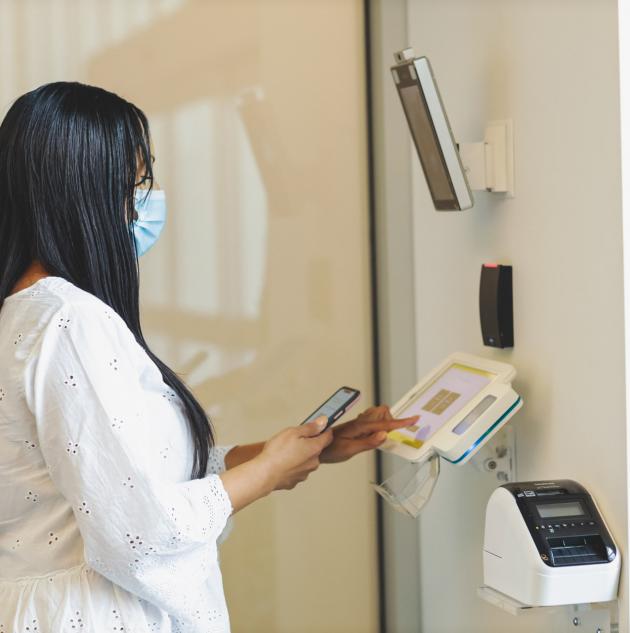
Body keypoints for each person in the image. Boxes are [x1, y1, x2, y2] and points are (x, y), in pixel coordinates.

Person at [0, 82, 417, 633]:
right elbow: (138, 531)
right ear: (85, 194)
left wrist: (277, 455)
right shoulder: (69, 320)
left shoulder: (27, 314)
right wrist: (268, 471)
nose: (143, 204)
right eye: (135, 184)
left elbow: (127, 476)